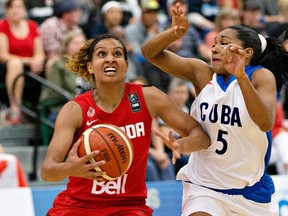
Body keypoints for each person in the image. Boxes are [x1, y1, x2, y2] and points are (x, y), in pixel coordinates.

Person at [141, 3, 288, 215]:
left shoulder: (260, 76)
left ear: (247, 53)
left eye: (225, 43)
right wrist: (173, 33)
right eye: (215, 43)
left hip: (249, 193)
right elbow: (149, 52)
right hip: (204, 186)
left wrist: (241, 78)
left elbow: (265, 122)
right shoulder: (202, 73)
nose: (215, 47)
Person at [40, 34, 210, 215]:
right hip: (78, 205)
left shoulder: (149, 97)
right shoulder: (75, 110)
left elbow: (200, 135)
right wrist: (70, 168)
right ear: (90, 66)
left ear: (126, 65)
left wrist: (181, 144)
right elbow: (47, 171)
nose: (110, 59)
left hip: (128, 206)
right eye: (102, 54)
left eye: (117, 54)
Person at [0, 0, 45, 124]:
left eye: (19, 7)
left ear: (24, 9)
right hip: (7, 67)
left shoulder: (32, 25)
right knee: (15, 64)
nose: (16, 10)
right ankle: (15, 110)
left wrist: (37, 61)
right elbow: (3, 55)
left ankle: (43, 108)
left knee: (49, 64)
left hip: (31, 68)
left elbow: (40, 53)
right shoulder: (2, 26)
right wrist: (28, 61)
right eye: (12, 7)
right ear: (7, 10)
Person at [40, 30, 91, 123]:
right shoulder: (58, 65)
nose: (79, 46)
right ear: (66, 46)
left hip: (88, 109)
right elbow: (54, 92)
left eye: (82, 43)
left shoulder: (90, 66)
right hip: (63, 108)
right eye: (75, 43)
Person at [40, 0, 82, 76]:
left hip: (71, 58)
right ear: (66, 14)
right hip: (51, 60)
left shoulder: (76, 28)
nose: (80, 13)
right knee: (53, 62)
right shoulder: (50, 25)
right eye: (76, 11)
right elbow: (52, 55)